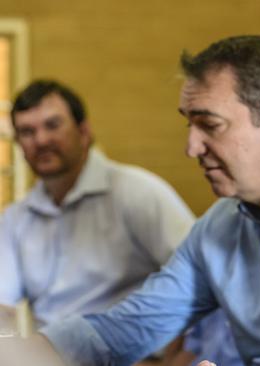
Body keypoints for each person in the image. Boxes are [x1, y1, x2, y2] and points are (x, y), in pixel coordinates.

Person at [0, 35, 260, 365]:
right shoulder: (217, 228)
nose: (191, 148)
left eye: (209, 125)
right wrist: (19, 355)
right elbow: (132, 324)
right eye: (189, 127)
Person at [0, 80, 195, 328]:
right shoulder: (16, 218)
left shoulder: (137, 192)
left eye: (53, 125)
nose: (41, 140)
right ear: (18, 143)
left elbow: (200, 280)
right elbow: (2, 306)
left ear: (84, 132)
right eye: (27, 132)